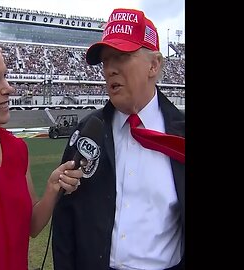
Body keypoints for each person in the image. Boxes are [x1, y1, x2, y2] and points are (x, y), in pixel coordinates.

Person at [52, 8, 185, 270]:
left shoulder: (180, 136)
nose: (109, 69)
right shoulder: (88, 133)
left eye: (121, 57)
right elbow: (65, 222)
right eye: (105, 61)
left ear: (153, 65)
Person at [0, 28, 83, 270]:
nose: (9, 88)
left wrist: (53, 188)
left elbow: (32, 226)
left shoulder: (17, 149)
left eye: (5, 76)